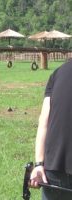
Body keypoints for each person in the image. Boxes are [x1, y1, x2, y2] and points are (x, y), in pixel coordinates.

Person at [30, 59, 72, 200]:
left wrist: (39, 163)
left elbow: (44, 120)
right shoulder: (57, 73)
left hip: (53, 166)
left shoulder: (58, 72)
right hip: (54, 172)